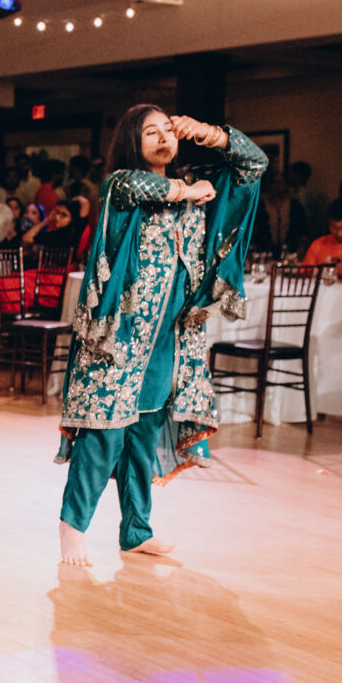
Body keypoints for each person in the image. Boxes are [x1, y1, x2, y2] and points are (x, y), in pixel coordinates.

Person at [56, 104, 266, 567]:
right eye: (151, 132)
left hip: (169, 340)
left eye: (168, 130)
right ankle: (72, 528)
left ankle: (136, 531)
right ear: (133, 141)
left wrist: (210, 134)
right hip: (119, 338)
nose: (163, 138)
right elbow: (141, 186)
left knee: (143, 435)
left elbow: (254, 164)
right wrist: (187, 191)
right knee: (104, 433)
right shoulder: (122, 185)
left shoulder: (196, 186)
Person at [253, 165, 309, 256]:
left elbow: (303, 228)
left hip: (290, 250)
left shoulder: (295, 205)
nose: (278, 186)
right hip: (265, 251)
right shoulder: (261, 206)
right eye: (274, 182)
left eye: (281, 182)